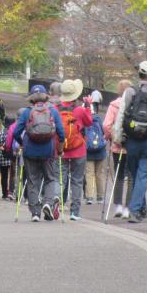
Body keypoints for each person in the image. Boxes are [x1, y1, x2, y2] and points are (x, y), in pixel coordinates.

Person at [112, 61, 147, 223]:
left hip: (131, 141)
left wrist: (118, 137)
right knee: (143, 175)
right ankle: (135, 209)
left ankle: (141, 209)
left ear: (139, 75)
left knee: (135, 174)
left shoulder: (129, 92)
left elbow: (121, 115)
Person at [14, 84, 65, 221]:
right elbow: (61, 133)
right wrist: (59, 149)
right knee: (50, 178)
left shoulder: (26, 112)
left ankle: (35, 213)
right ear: (45, 96)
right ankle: (47, 203)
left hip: (30, 151)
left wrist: (21, 143)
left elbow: (15, 132)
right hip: (48, 151)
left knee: (32, 181)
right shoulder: (53, 111)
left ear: (31, 98)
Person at [55, 79, 92, 220]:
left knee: (61, 179)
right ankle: (75, 212)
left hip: (61, 150)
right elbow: (89, 122)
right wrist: (88, 106)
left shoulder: (56, 109)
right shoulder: (80, 110)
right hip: (79, 150)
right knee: (77, 180)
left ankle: (56, 200)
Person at [103, 79, 133, 218]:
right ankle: (128, 207)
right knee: (132, 177)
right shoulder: (134, 104)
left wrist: (112, 136)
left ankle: (118, 206)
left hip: (117, 146)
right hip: (132, 145)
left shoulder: (113, 105)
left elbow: (106, 125)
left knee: (119, 176)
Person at [84, 102, 107, 205]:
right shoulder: (98, 119)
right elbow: (104, 132)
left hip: (88, 151)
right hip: (100, 150)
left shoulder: (85, 120)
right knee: (100, 174)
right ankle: (100, 197)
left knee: (89, 174)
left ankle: (89, 196)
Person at [0, 117, 15, 200]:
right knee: (13, 175)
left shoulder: (1, 133)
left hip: (3, 158)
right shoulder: (14, 132)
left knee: (4, 176)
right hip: (12, 158)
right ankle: (12, 192)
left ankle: (5, 194)